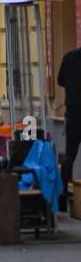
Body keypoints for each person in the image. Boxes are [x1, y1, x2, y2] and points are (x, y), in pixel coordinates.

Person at [58, 47, 81, 210]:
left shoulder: (68, 56)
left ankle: (62, 195)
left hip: (72, 113)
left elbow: (60, 80)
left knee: (69, 155)